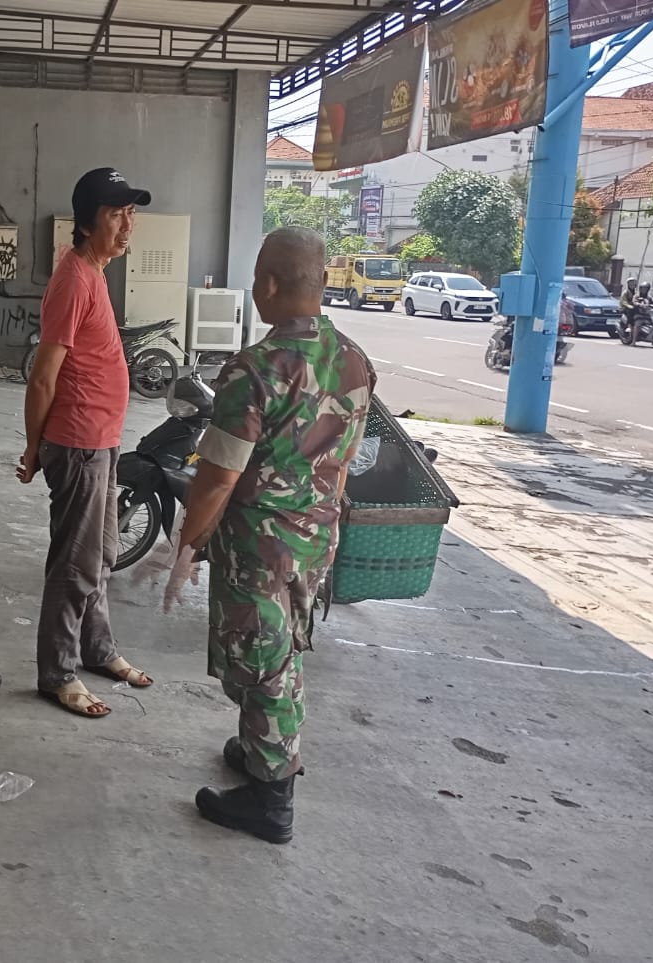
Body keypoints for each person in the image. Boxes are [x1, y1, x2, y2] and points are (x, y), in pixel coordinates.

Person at [158, 227, 374, 843]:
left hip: (260, 545)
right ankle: (261, 749)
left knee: (262, 659)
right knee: (282, 647)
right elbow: (343, 461)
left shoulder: (255, 369)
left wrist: (186, 548)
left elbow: (219, 476)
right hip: (316, 538)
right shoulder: (354, 360)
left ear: (269, 284)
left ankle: (270, 796)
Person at [16, 168, 155, 718]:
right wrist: (34, 448)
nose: (128, 225)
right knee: (74, 564)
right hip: (77, 444)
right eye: (116, 214)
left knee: (102, 554)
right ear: (87, 222)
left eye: (131, 213)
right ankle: (58, 673)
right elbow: (43, 377)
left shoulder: (94, 273)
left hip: (102, 441)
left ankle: (98, 650)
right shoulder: (74, 279)